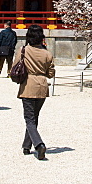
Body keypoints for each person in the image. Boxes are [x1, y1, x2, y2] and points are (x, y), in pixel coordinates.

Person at [15, 25, 56, 160]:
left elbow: (14, 66)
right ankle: (26, 146)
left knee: (29, 118)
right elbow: (51, 73)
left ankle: (39, 145)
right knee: (34, 117)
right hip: (42, 86)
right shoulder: (47, 53)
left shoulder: (23, 50)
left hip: (28, 85)